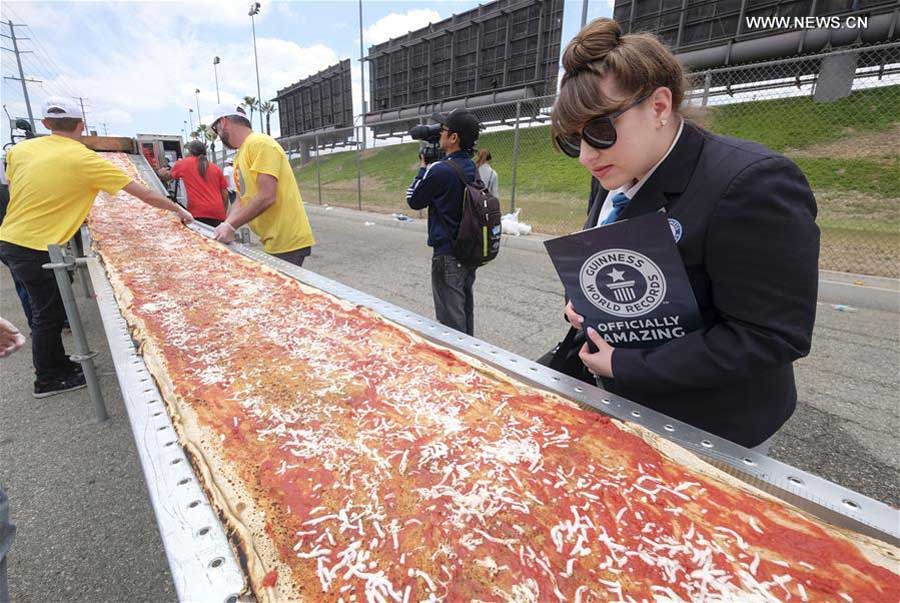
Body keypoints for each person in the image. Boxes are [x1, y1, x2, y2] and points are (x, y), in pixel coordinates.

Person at [549, 19, 819, 451]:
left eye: (599, 131)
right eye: (571, 141)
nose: (585, 156)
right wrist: (582, 303)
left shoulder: (751, 183)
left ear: (658, 106)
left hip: (712, 425)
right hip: (620, 401)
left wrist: (625, 364)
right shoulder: (612, 172)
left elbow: (769, 336)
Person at [0, 96, 193, 398]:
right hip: (35, 245)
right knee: (47, 314)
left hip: (10, 237)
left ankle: (57, 364)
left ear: (46, 124)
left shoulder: (20, 150)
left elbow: (14, 185)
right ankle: (48, 378)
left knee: (46, 310)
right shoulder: (85, 159)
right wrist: (178, 210)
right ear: (82, 125)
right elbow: (142, 193)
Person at [209, 103, 315, 266]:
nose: (218, 136)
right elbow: (240, 201)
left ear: (223, 122)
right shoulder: (240, 156)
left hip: (287, 239)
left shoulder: (259, 143)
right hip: (271, 238)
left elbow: (267, 195)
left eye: (216, 130)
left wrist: (231, 225)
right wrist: (226, 225)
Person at [406, 109, 481, 336]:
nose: (440, 134)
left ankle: (458, 363)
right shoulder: (471, 167)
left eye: (444, 130)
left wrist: (422, 169)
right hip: (468, 251)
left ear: (454, 138)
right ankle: (472, 356)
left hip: (447, 255)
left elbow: (414, 200)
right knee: (464, 313)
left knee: (450, 324)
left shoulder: (440, 170)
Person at [159, 140, 229, 227]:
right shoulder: (216, 168)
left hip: (198, 213)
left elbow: (166, 177)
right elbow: (225, 195)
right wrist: (222, 212)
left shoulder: (183, 163)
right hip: (218, 213)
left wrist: (160, 172)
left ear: (190, 151)